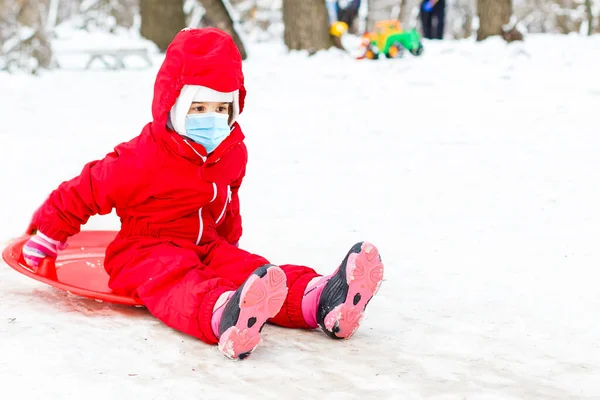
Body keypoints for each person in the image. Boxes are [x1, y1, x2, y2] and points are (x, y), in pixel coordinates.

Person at [21, 28, 384, 360]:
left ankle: (322, 299)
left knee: (253, 270)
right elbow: (86, 189)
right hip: (144, 249)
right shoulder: (143, 156)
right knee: (175, 277)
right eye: (198, 108)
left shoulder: (230, 152)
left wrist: (229, 245)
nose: (211, 119)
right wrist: (48, 234)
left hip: (205, 243)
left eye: (221, 108)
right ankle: (223, 314)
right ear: (173, 106)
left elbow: (229, 202)